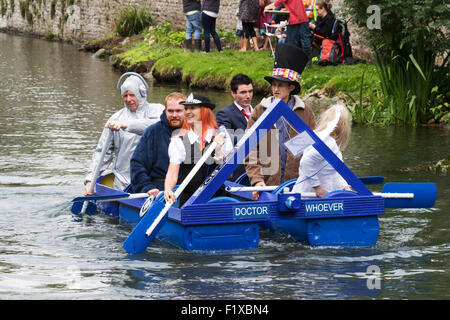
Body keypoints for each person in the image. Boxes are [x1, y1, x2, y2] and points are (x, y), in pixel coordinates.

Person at [245, 43, 316, 200]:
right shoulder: (259, 111)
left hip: (299, 186)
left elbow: (313, 149)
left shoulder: (306, 112)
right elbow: (249, 149)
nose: (275, 89)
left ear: (291, 87)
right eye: (273, 84)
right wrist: (257, 181)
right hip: (267, 185)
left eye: (281, 85)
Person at [84, 72, 165, 195]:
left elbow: (156, 126)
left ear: (142, 94)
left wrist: (127, 125)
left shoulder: (158, 110)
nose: (128, 99)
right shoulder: (115, 118)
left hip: (153, 183)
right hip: (123, 183)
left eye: (132, 95)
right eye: (125, 95)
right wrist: (91, 179)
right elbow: (102, 152)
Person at [164, 93, 233, 207]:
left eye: (192, 108)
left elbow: (229, 175)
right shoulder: (178, 141)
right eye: (186, 108)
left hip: (219, 201)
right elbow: (172, 171)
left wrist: (218, 150)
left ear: (204, 111)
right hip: (190, 203)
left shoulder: (222, 135)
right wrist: (168, 189)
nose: (187, 112)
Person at [130, 92, 187, 197]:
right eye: (170, 111)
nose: (174, 115)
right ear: (165, 111)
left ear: (186, 111)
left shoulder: (195, 132)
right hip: (158, 191)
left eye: (179, 111)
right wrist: (147, 187)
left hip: (187, 190)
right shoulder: (152, 132)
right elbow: (137, 164)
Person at [292, 103, 352, 197]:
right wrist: (317, 188)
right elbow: (305, 162)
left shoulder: (313, 135)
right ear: (343, 126)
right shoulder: (329, 143)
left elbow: (336, 171)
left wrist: (345, 186)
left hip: (302, 193)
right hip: (310, 199)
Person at [216, 73, 254, 180]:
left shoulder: (259, 112)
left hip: (261, 169)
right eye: (243, 92)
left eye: (250, 91)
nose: (248, 96)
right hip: (239, 172)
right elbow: (228, 141)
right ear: (233, 93)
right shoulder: (225, 114)